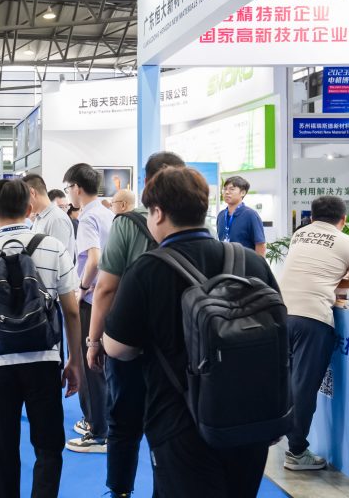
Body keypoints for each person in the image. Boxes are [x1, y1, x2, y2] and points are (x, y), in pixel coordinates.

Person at [104, 166, 280, 497]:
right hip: (250, 416)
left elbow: (118, 348)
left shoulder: (148, 268)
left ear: (157, 213)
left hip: (180, 420)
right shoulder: (251, 262)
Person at [0, 178, 83, 498]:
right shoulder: (53, 247)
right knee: (49, 447)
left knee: (5, 449)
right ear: (30, 209)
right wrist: (75, 361)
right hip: (44, 360)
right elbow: (72, 311)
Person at [86, 151, 185, 498]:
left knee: (124, 421)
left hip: (130, 341)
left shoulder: (127, 223)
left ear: (146, 182)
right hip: (182, 343)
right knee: (174, 422)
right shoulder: (202, 225)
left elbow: (106, 288)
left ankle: (120, 490)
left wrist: (94, 341)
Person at [279, 195, 349, 471]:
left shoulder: (300, 235)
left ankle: (278, 440)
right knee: (304, 387)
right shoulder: (347, 242)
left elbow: (316, 274)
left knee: (287, 383)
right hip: (312, 319)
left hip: (281, 313)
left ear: (311, 217)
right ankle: (297, 452)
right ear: (343, 220)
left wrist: (343, 280)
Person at [63, 163, 113, 454]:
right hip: (108, 297)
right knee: (100, 366)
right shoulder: (107, 212)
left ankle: (98, 432)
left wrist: (82, 288)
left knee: (88, 364)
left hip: (91, 300)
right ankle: (100, 421)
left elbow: (93, 259)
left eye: (69, 187)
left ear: (77, 188)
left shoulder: (88, 218)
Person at [23, 173, 76, 259]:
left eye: (23, 197)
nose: (23, 203)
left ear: (32, 192)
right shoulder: (40, 218)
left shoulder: (57, 219)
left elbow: (58, 259)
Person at [217, 176, 266, 256]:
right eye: (225, 189)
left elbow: (260, 245)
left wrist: (258, 263)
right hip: (226, 262)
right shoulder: (221, 215)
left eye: (232, 189)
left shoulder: (250, 215)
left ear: (242, 193)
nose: (227, 192)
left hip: (246, 262)